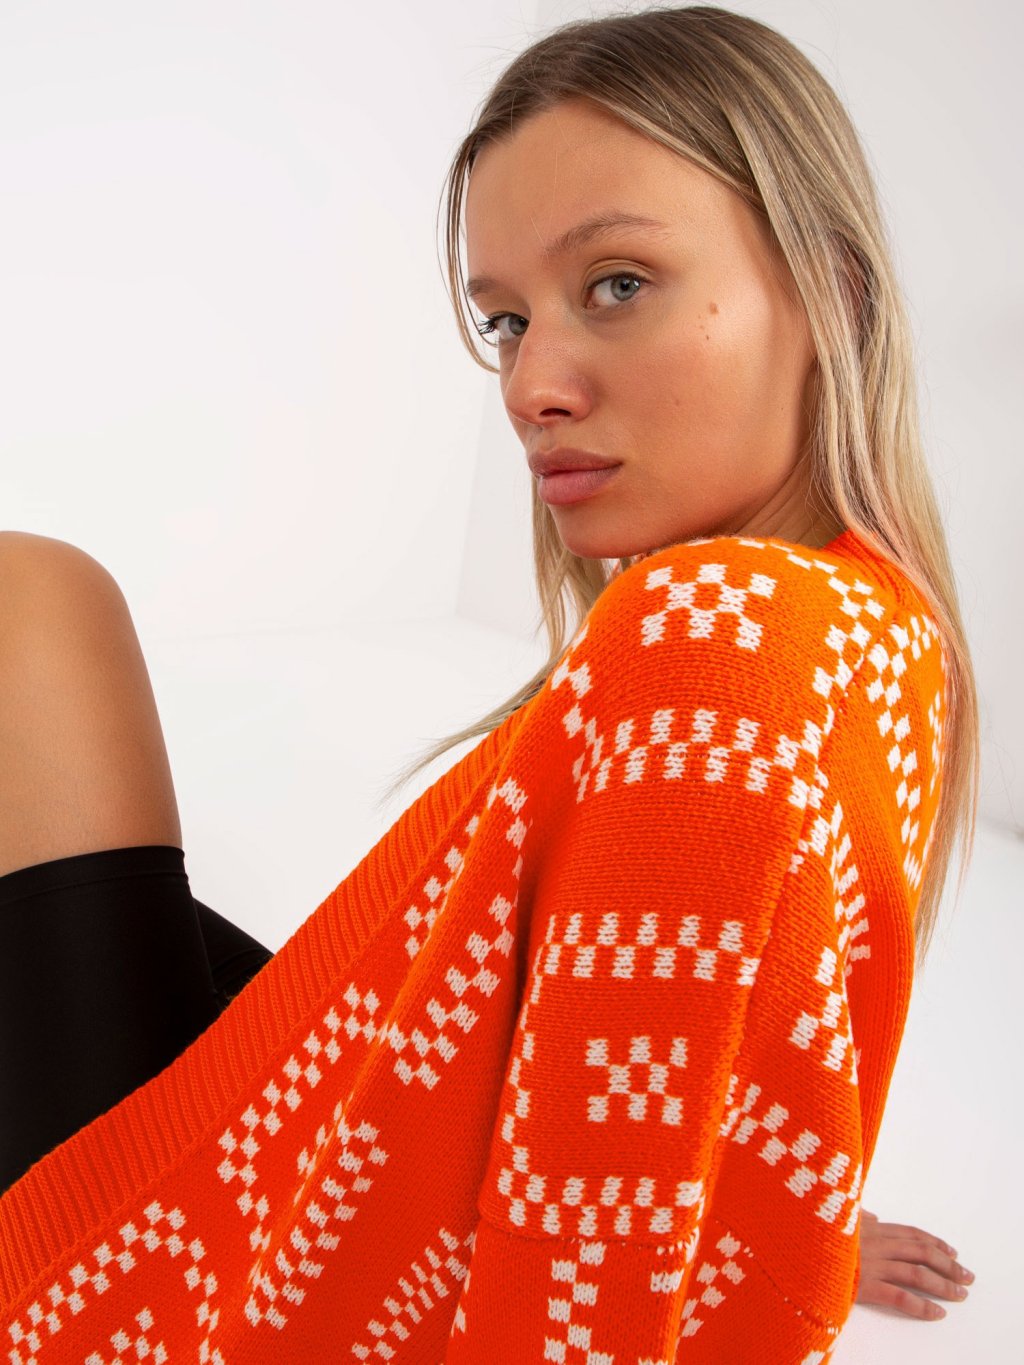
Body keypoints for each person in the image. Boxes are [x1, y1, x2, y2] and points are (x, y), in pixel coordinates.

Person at [0, 5, 977, 1360]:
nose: (530, 386)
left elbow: (576, 1298)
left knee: (29, 599)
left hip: (177, 1300)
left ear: (832, 292)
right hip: (352, 1132)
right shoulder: (888, 625)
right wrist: (773, 1217)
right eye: (506, 319)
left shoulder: (719, 635)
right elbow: (713, 1016)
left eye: (617, 284)